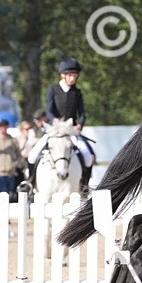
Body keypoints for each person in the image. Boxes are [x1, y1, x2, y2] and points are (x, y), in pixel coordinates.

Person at [30, 57, 95, 192]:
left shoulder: (77, 93)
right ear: (62, 75)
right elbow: (49, 110)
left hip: (70, 131)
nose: (72, 79)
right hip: (55, 130)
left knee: (88, 157)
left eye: (75, 76)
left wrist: (79, 125)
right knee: (33, 155)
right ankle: (30, 182)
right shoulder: (53, 89)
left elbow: (82, 113)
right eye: (70, 75)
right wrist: (54, 120)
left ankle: (84, 185)